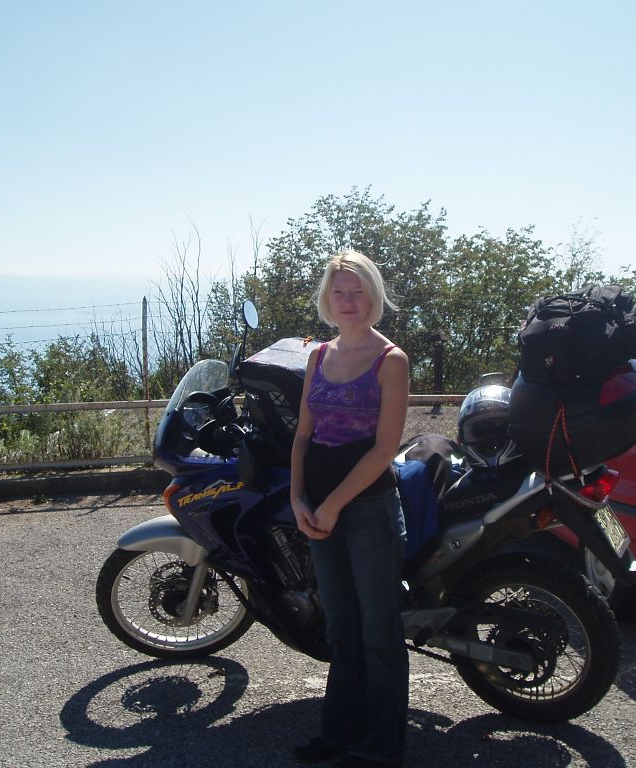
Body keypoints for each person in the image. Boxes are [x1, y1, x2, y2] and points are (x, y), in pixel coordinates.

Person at [290, 249, 410, 767]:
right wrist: (298, 499)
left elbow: (384, 449)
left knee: (379, 632)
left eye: (357, 291)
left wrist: (333, 505)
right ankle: (339, 733)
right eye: (339, 291)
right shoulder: (318, 356)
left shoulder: (391, 360)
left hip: (367, 513)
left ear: (373, 296)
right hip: (319, 510)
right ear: (326, 298)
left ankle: (381, 746)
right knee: (341, 629)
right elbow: (302, 436)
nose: (348, 300)